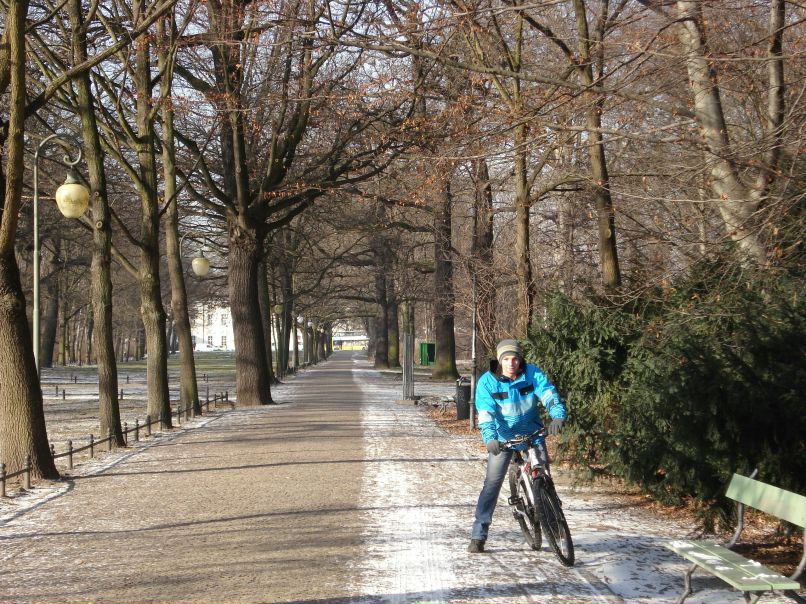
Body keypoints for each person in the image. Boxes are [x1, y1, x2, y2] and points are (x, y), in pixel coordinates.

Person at [468, 338, 567, 553]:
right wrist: (490, 438)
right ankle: (478, 534)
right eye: (506, 359)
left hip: (533, 433)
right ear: (499, 360)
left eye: (515, 359)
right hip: (504, 439)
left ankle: (555, 524)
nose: (511, 363)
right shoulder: (487, 382)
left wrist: (557, 416)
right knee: (492, 484)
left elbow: (548, 393)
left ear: (520, 360)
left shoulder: (531, 374)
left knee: (543, 477)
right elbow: (485, 413)